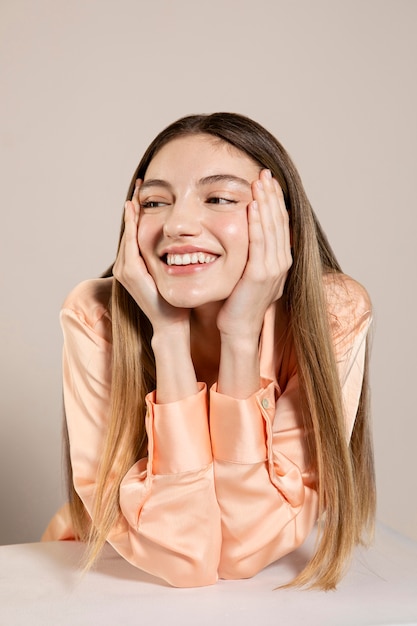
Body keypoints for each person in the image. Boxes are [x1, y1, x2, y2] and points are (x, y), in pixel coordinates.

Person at [42, 112, 375, 590]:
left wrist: (240, 336)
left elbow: (245, 549)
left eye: (219, 198)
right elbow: (184, 560)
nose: (177, 224)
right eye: (155, 201)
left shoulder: (332, 316)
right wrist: (168, 336)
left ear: (284, 225)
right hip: (100, 574)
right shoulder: (97, 317)